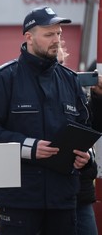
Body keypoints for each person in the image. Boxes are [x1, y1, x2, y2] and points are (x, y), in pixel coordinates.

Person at [0, 6, 91, 235]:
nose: (56, 39)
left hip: (63, 200)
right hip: (19, 200)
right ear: (29, 37)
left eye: (58, 33)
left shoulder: (70, 80)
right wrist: (29, 147)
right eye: (49, 34)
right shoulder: (4, 78)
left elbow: (85, 129)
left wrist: (86, 157)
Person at [58, 42, 99, 235]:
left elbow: (91, 129)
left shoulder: (73, 88)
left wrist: (98, 98)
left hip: (80, 192)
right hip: (48, 194)